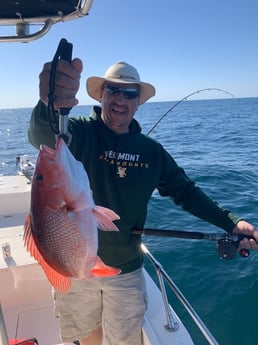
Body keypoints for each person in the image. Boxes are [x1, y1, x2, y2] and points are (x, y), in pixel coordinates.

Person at [28, 59, 258, 345]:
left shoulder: (151, 151)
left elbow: (186, 193)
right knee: (86, 339)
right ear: (101, 95)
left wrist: (232, 223)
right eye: (113, 90)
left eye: (130, 93)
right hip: (72, 269)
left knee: (124, 340)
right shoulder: (78, 132)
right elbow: (42, 135)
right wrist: (48, 102)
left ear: (138, 102)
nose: (121, 99)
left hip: (126, 270)